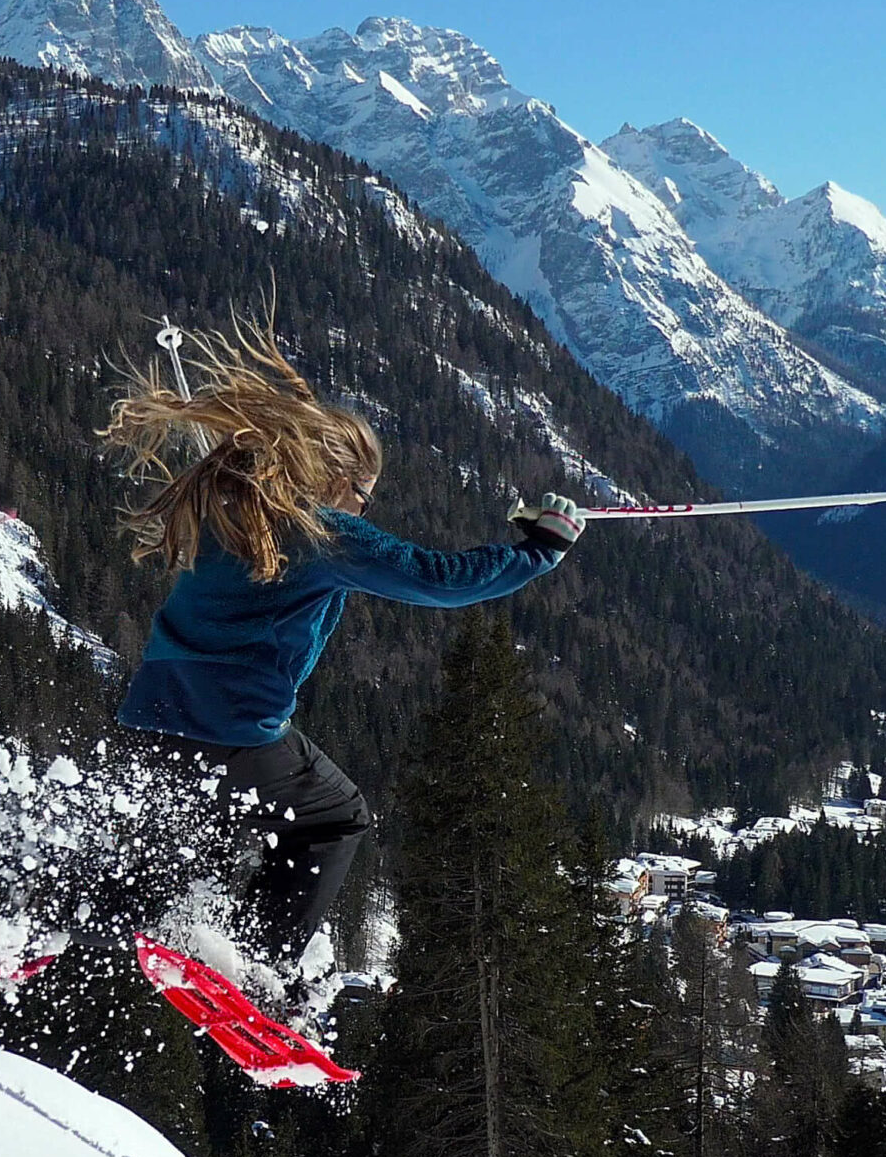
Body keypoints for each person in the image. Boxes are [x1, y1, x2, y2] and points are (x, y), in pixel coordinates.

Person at [98, 313, 584, 1005]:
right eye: (364, 494)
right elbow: (438, 579)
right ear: (334, 479)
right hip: (235, 730)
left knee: (168, 855)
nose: (364, 506)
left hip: (150, 716)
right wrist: (540, 549)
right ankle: (260, 970)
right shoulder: (323, 532)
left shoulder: (223, 504)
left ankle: (33, 924)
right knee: (335, 815)